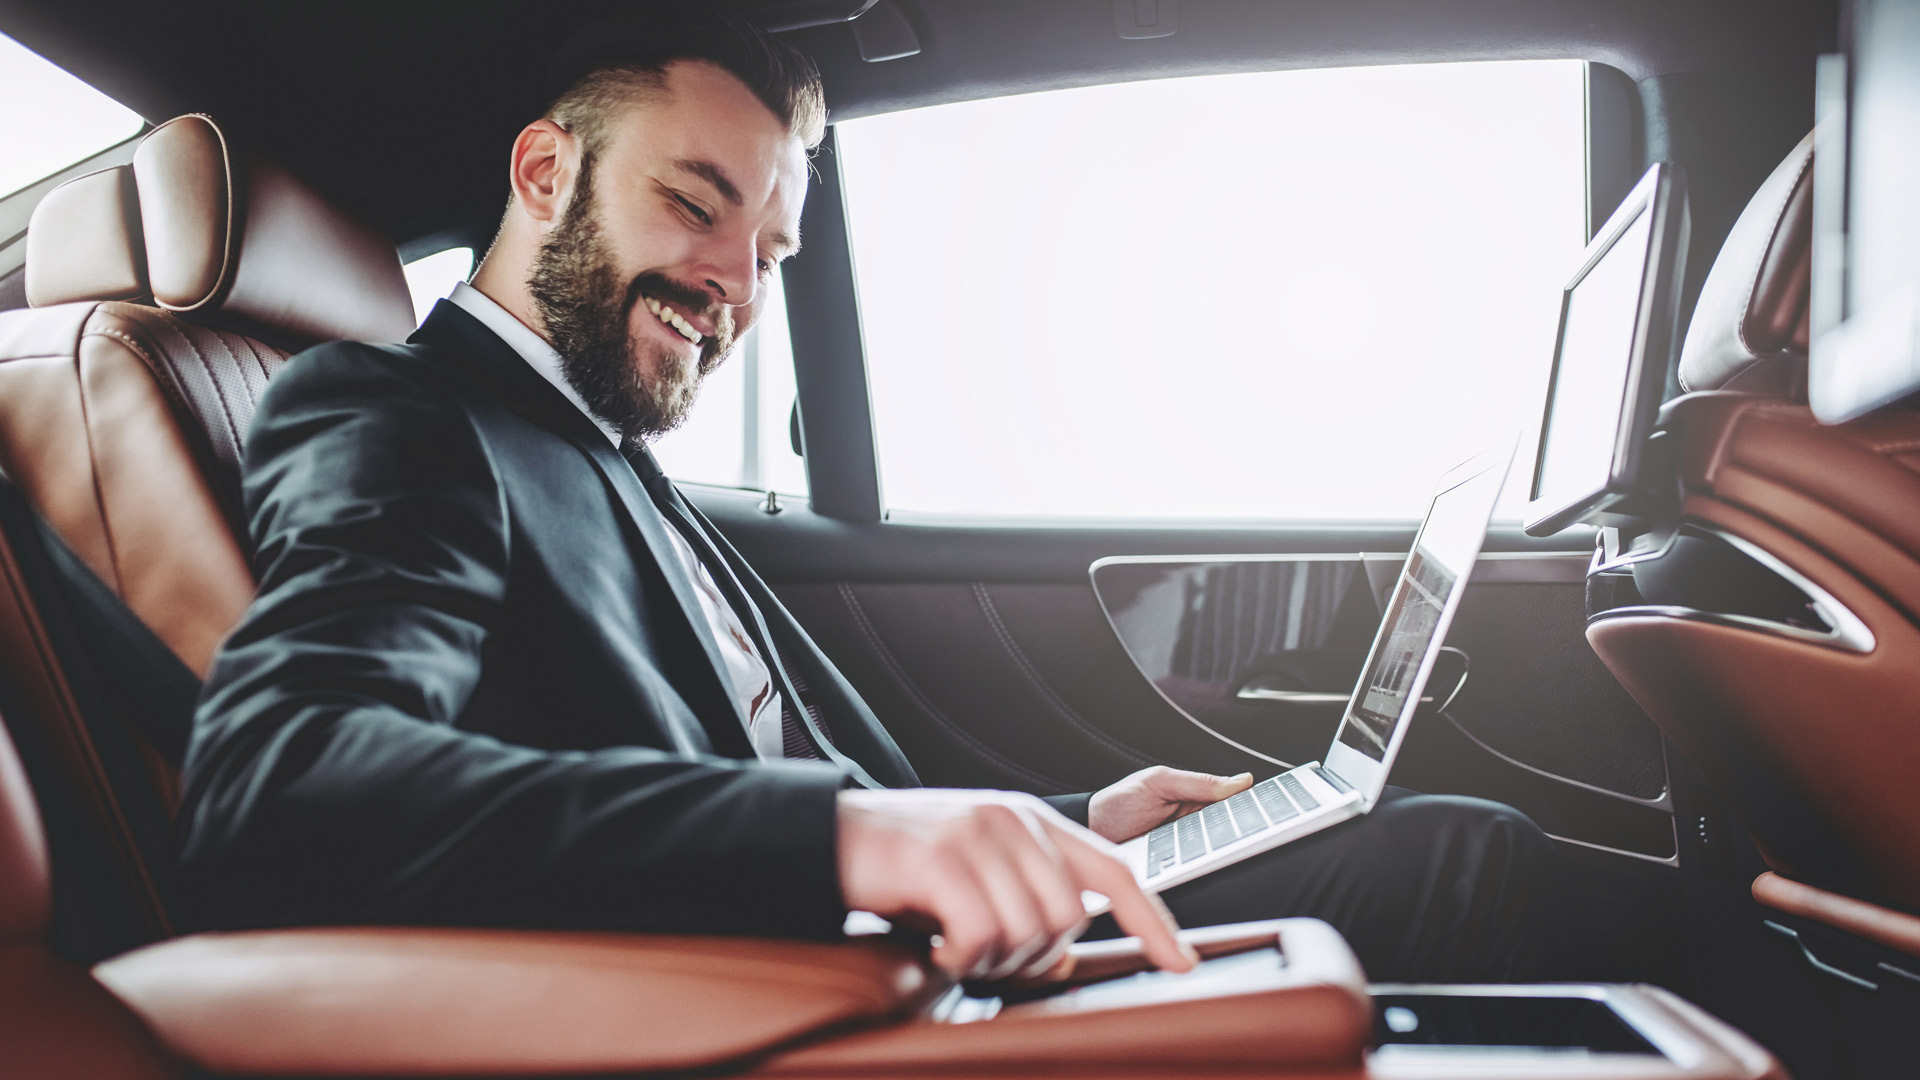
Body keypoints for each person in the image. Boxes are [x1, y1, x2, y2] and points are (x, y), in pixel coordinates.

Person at [178, 12, 1564, 985]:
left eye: (770, 247)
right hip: (791, 989)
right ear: (547, 173)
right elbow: (281, 789)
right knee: (1461, 869)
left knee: (1441, 846)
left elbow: (754, 749)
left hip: (899, 944)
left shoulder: (607, 449)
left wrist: (1070, 817)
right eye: (695, 202)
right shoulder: (397, 411)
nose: (734, 280)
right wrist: (847, 838)